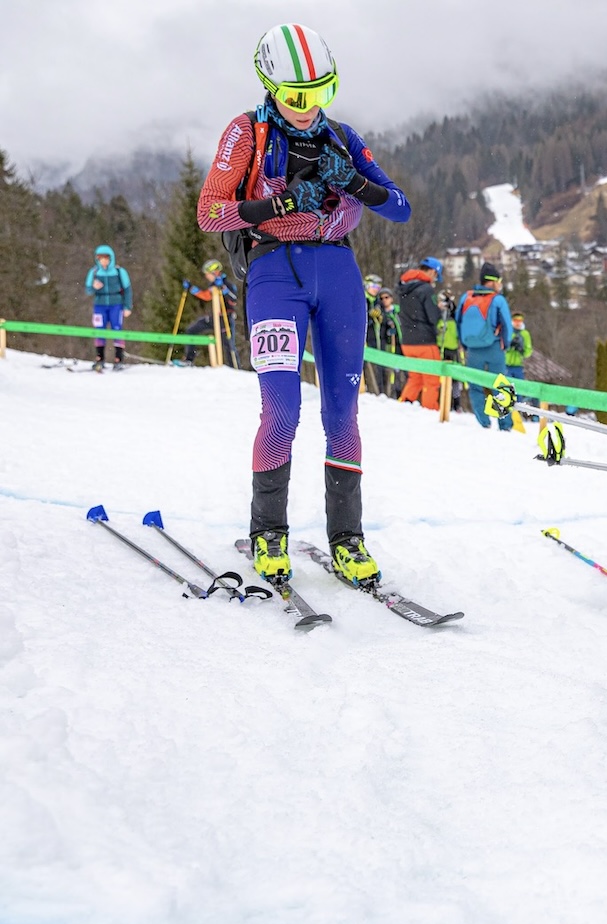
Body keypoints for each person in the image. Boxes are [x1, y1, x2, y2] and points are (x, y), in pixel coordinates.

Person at [197, 23, 411, 587]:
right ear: (270, 85)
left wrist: (356, 184)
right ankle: (268, 530)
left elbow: (401, 207)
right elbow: (211, 213)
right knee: (282, 409)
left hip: (338, 270)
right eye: (296, 97)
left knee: (342, 410)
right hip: (275, 274)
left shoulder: (341, 134)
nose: (308, 107)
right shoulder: (246, 133)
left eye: (322, 92)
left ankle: (348, 538)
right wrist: (280, 202)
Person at [455, 262, 513, 429]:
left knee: (475, 386)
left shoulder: (466, 297)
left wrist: (465, 345)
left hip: (472, 349)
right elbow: (507, 326)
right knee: (501, 386)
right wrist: (505, 344)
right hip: (494, 347)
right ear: (493, 281)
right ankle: (504, 424)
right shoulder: (498, 300)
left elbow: (458, 321)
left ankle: (483, 421)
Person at [396, 256, 445, 409]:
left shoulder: (403, 288)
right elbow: (433, 318)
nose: (435, 279)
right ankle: (431, 411)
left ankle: (404, 405)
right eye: (436, 275)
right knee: (432, 380)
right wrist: (439, 308)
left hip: (407, 341)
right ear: (431, 271)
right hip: (425, 342)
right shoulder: (427, 289)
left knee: (415, 378)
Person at [175, 259, 240, 366]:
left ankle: (235, 368)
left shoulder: (227, 283)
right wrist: (191, 288)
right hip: (214, 317)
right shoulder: (213, 284)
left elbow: (233, 300)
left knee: (228, 344)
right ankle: (189, 360)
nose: (206, 276)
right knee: (191, 330)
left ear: (215, 272)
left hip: (225, 318)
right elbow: (206, 296)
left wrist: (223, 288)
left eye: (208, 274)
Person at [84, 245, 132, 372]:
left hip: (116, 304)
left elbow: (127, 289)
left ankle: (118, 359)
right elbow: (88, 290)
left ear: (111, 259)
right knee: (100, 330)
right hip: (99, 305)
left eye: (106, 259)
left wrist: (127, 306)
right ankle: (100, 358)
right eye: (101, 259)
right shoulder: (94, 272)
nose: (104, 262)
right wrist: (94, 287)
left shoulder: (119, 272)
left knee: (117, 329)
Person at [504, 310, 534, 427]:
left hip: (518, 365)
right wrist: (510, 346)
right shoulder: (508, 331)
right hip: (507, 364)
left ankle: (518, 414)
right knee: (507, 389)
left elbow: (528, 350)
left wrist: (522, 350)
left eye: (520, 321)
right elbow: (503, 345)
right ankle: (507, 413)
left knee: (518, 390)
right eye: (516, 321)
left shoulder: (525, 334)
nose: (517, 323)